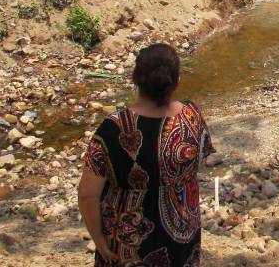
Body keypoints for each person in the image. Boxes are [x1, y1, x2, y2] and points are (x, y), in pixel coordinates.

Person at [78, 43, 215, 266]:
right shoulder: (192, 116)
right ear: (177, 81)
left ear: (134, 79)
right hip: (181, 237)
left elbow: (87, 194)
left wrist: (99, 240)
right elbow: (201, 157)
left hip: (128, 241)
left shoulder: (114, 128)